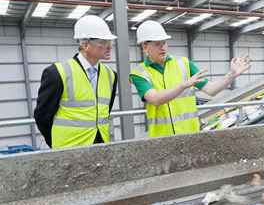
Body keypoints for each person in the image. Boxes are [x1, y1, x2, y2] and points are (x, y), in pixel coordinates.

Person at [130, 20, 250, 137]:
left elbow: (211, 89)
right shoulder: (139, 73)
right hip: (161, 140)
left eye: (164, 42)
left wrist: (232, 74)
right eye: (157, 44)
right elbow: (155, 99)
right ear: (145, 46)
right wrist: (183, 86)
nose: (163, 48)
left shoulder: (184, 63)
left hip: (190, 135)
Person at [34, 15, 118, 149]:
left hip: (101, 146)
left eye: (110, 42)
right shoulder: (57, 73)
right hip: (69, 149)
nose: (109, 47)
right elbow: (42, 116)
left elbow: (104, 111)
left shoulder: (111, 75)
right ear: (85, 45)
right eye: (103, 42)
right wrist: (56, 143)